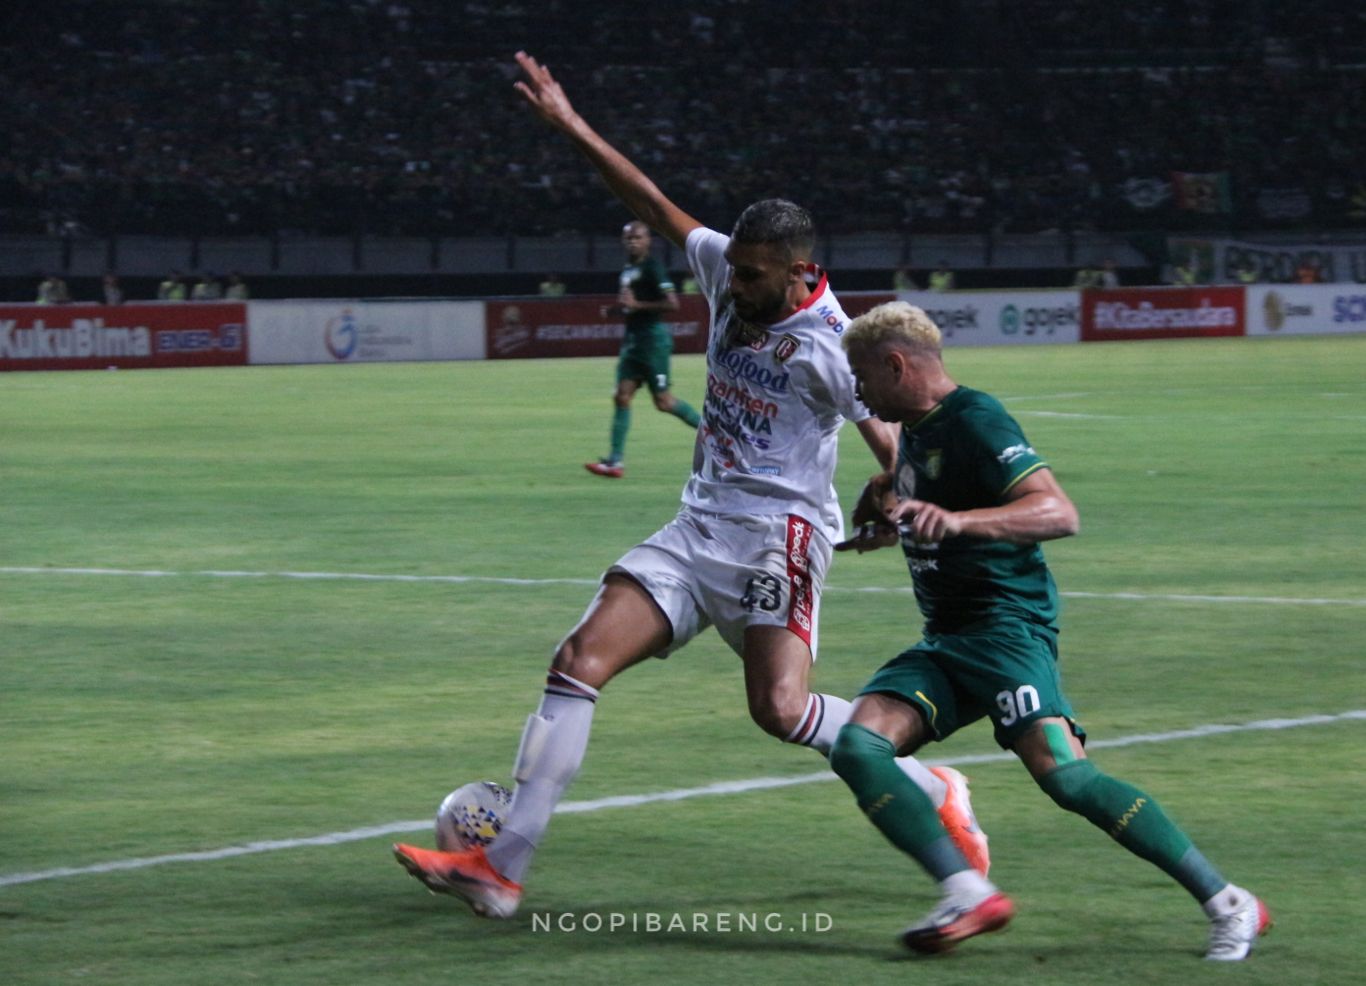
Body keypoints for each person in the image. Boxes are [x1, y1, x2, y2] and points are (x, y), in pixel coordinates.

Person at [392, 51, 989, 918]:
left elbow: (891, 426)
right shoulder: (725, 267)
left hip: (779, 539)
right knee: (577, 661)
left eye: (752, 276)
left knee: (780, 712)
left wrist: (895, 489)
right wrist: (570, 126)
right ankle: (502, 868)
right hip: (696, 527)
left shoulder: (830, 344)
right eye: (732, 268)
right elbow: (650, 201)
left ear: (796, 272)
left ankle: (933, 788)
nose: (730, 285)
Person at [828, 301, 1271, 960]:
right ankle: (967, 892)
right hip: (948, 639)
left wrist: (960, 523)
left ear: (896, 365)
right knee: (858, 747)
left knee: (1066, 777)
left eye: (862, 376)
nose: (856, 392)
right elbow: (927, 482)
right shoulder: (917, 430)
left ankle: (1230, 903)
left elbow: (1059, 513)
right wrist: (885, 500)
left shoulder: (976, 419)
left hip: (1006, 632)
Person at [584, 220, 700, 478]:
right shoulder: (628, 269)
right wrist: (616, 310)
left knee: (664, 402)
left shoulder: (653, 268)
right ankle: (615, 462)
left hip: (652, 342)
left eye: (637, 237)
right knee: (621, 396)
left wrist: (637, 305)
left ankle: (718, 435)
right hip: (633, 342)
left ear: (648, 241)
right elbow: (629, 304)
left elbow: (672, 304)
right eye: (628, 238)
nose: (632, 242)